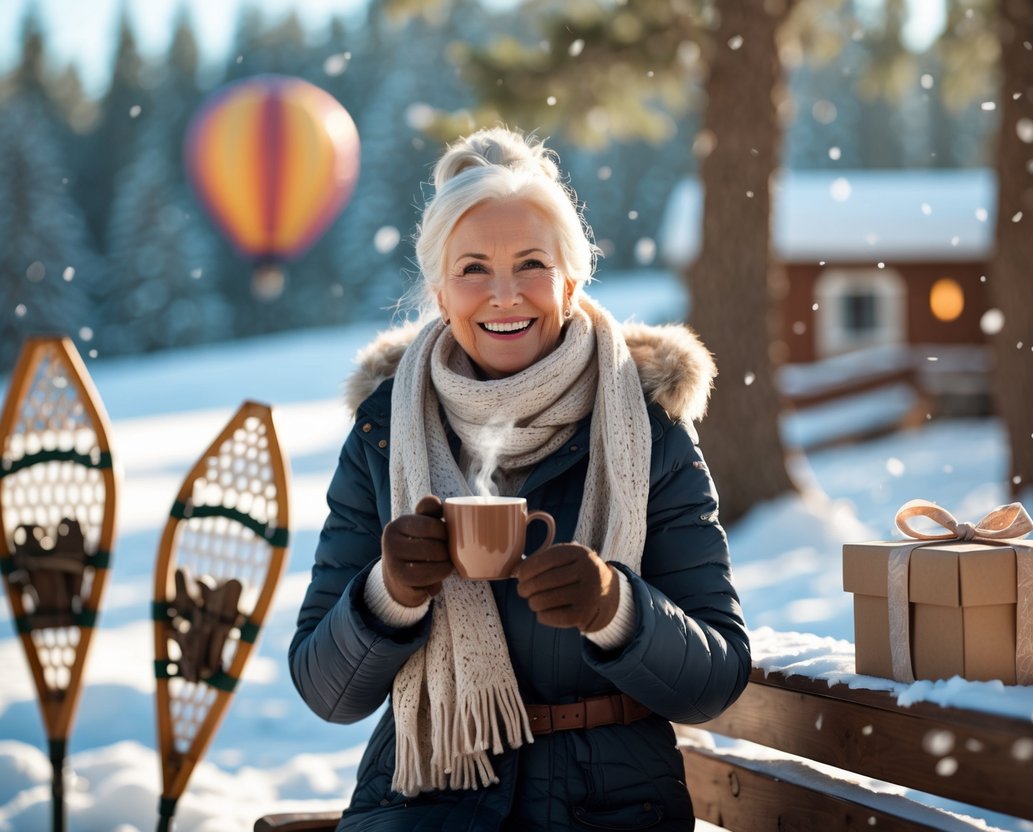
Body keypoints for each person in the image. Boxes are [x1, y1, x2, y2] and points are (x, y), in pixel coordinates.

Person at [289, 127, 750, 831]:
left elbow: (715, 679)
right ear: (440, 294)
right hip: (423, 808)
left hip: (612, 807)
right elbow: (327, 692)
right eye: (472, 269)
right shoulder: (386, 434)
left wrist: (614, 607)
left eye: (530, 264)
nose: (503, 296)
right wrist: (388, 594)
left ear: (570, 282)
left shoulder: (646, 429)